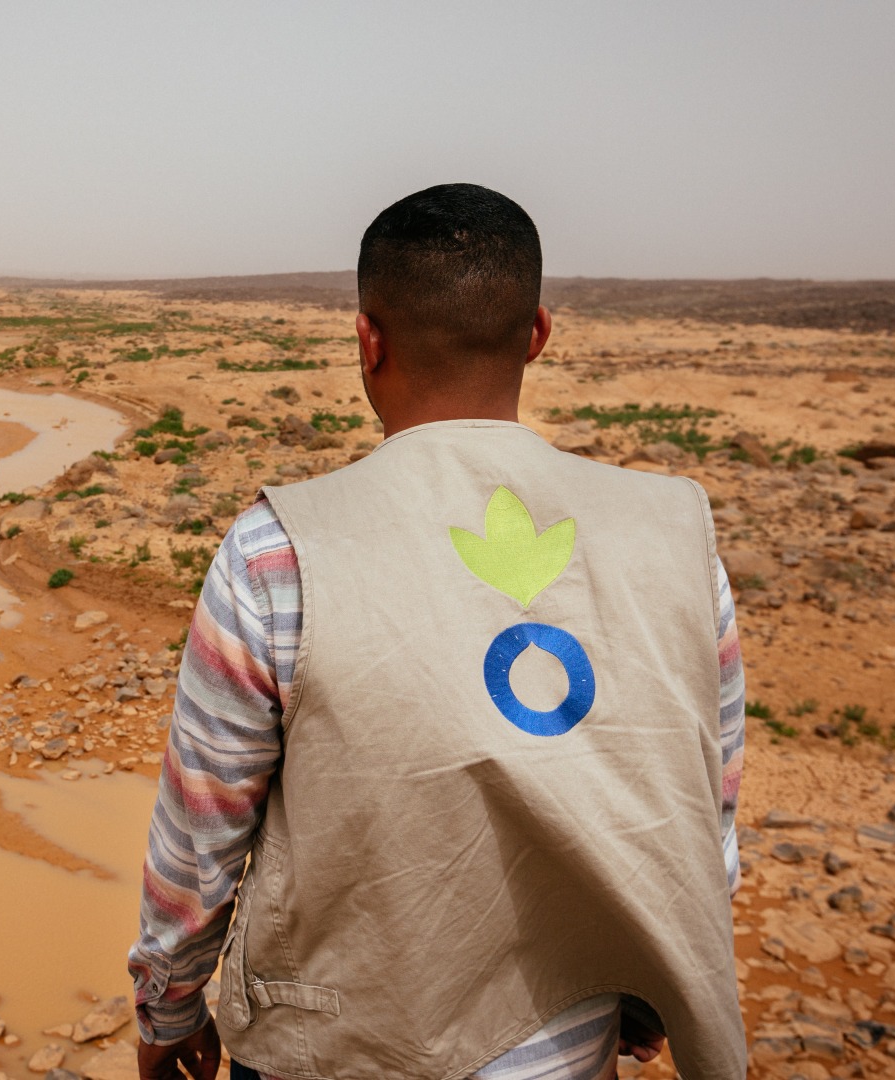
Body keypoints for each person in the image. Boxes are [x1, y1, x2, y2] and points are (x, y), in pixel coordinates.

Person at [128, 183, 747, 1080]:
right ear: (537, 334)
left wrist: (169, 1003)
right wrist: (648, 975)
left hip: (334, 1052)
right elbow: (703, 804)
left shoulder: (277, 552)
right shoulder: (676, 534)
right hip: (568, 1049)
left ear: (367, 341)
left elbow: (202, 828)